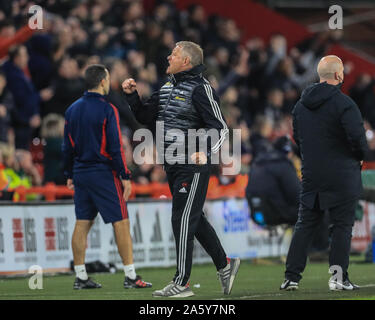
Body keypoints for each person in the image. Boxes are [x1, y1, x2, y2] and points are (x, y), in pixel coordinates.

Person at [123, 41, 240, 298]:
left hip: (193, 164)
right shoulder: (166, 88)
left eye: (174, 54)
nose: (168, 57)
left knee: (183, 218)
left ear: (186, 62)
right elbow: (144, 117)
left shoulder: (201, 88)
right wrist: (133, 97)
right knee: (193, 219)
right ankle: (225, 264)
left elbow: (220, 127)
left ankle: (182, 283)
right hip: (173, 164)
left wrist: (205, 151)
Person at [280, 55, 368, 291]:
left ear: (320, 76)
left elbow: (297, 139)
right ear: (339, 75)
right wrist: (360, 155)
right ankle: (338, 278)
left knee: (305, 224)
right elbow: (358, 139)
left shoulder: (300, 105)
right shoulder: (345, 104)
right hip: (343, 174)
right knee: (341, 226)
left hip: (312, 174)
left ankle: (291, 277)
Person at [62, 64, 151, 290]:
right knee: (121, 223)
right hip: (103, 173)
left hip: (81, 173)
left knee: (82, 223)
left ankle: (81, 277)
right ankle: (130, 275)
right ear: (103, 81)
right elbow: (115, 147)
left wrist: (69, 173)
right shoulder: (108, 109)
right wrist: (125, 175)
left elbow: (67, 147)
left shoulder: (71, 109)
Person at [246, 136, 300, 226]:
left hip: (257, 217)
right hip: (279, 216)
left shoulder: (257, 163)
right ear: (289, 152)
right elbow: (296, 194)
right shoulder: (283, 164)